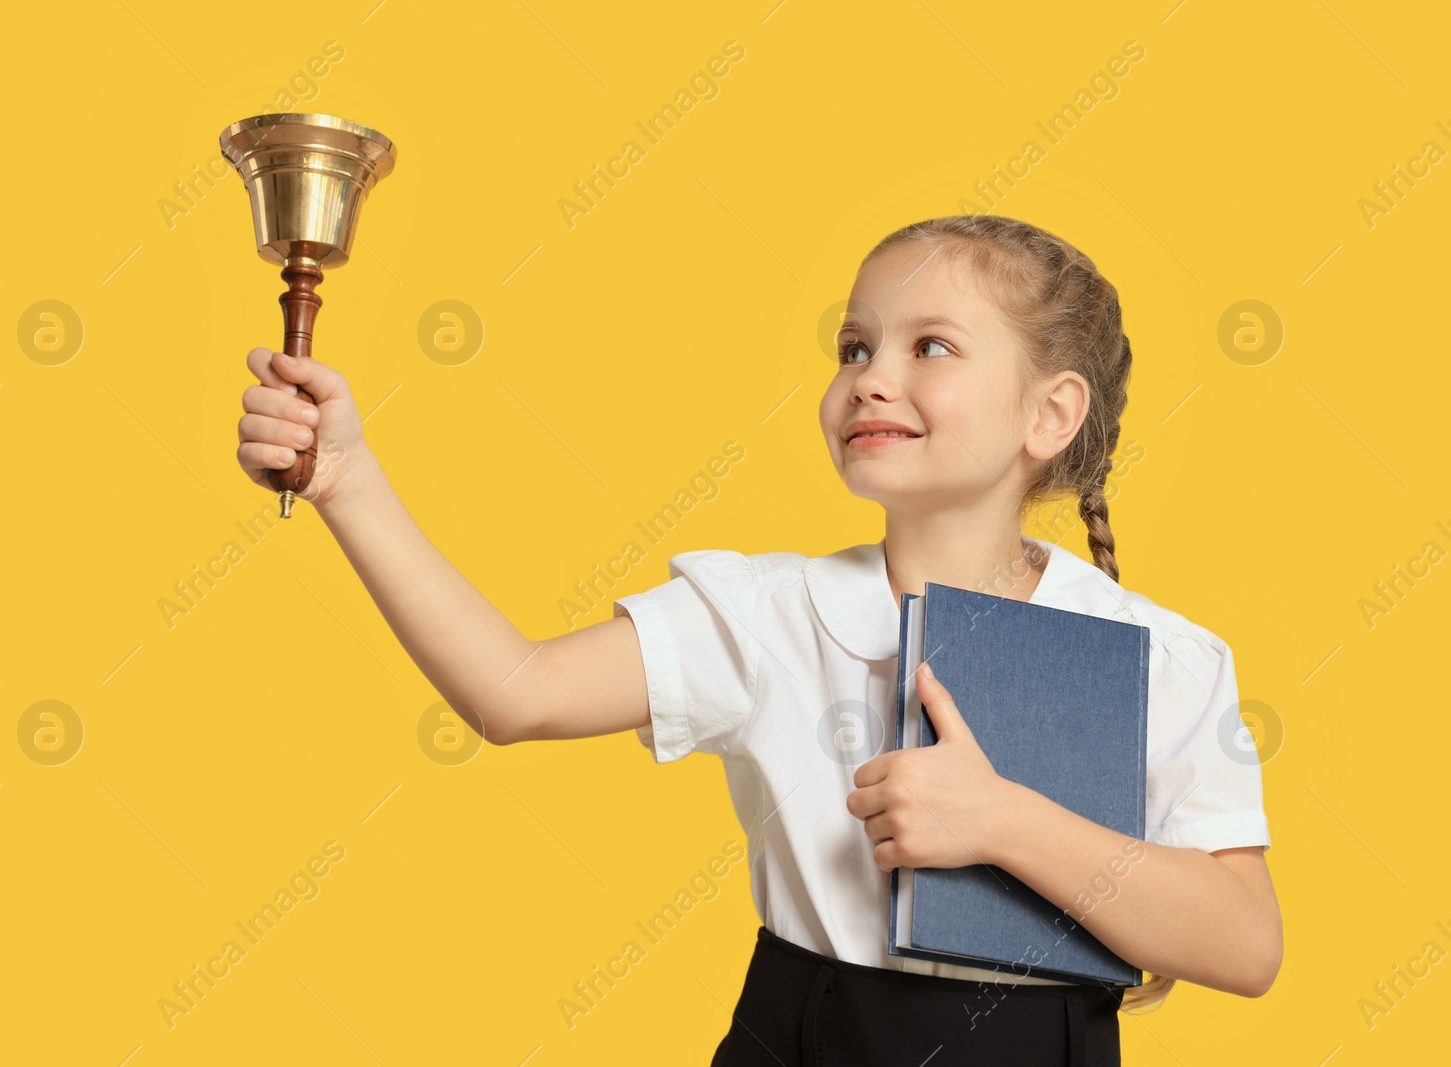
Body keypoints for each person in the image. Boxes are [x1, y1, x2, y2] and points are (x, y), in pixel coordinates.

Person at [235, 214, 1282, 1066]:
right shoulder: (762, 611)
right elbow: (516, 691)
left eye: (931, 346)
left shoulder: (1164, 654)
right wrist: (347, 480)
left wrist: (1003, 820)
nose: (870, 376)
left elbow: (1244, 941)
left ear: (1050, 412)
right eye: (854, 346)